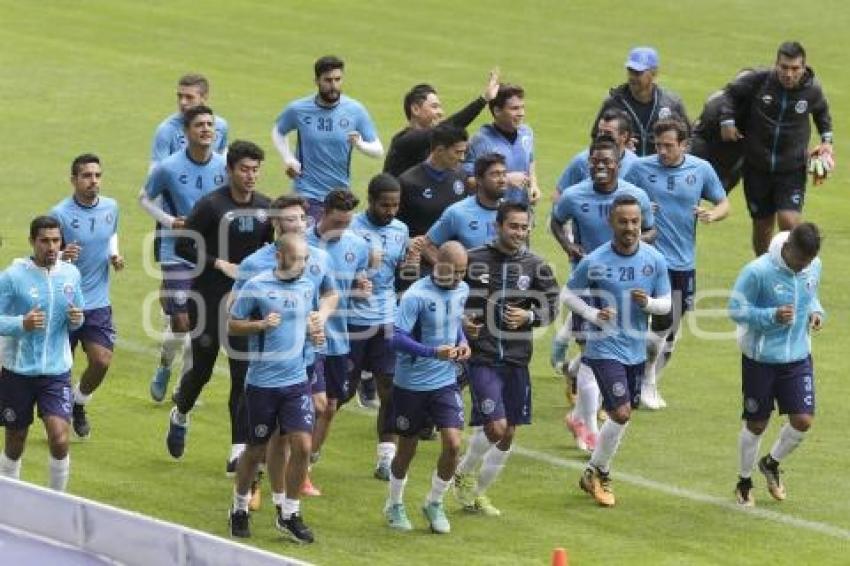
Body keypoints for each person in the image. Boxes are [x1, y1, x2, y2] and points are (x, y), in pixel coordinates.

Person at [165, 141, 273, 461]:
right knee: (203, 367)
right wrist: (217, 263)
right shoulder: (211, 206)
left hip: (246, 302)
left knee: (242, 375)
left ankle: (237, 449)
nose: (251, 176)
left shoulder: (266, 207)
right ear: (229, 170)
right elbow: (184, 247)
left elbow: (269, 249)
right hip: (209, 298)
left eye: (255, 170)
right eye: (244, 169)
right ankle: (180, 413)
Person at [561, 196, 671, 507]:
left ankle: (592, 471)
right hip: (602, 346)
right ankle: (601, 472)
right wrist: (593, 315)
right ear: (611, 222)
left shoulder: (654, 260)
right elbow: (568, 294)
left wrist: (648, 304)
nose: (630, 227)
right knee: (620, 412)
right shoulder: (595, 260)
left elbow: (667, 303)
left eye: (635, 221)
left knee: (624, 415)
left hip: (634, 349)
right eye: (623, 221)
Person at [228, 195, 338, 498]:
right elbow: (235, 310)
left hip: (305, 352)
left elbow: (330, 294)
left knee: (307, 417)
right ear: (275, 223)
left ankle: (286, 490)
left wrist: (320, 316)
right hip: (268, 357)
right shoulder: (254, 265)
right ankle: (262, 484)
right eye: (292, 218)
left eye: (303, 218)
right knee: (273, 434)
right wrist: (260, 325)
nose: (300, 224)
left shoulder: (318, 257)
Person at [549, 137, 656, 450]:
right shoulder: (573, 195)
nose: (600, 167)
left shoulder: (634, 196)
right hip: (586, 287)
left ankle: (579, 417)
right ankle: (590, 428)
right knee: (590, 355)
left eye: (607, 162)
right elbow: (556, 222)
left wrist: (636, 245)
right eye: (594, 162)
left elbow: (651, 228)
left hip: (624, 286)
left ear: (618, 163)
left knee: (602, 358)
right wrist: (569, 246)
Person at [453, 202, 559, 516]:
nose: (519, 233)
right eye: (513, 226)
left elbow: (553, 304)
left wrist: (530, 314)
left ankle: (478, 493)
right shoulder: (473, 259)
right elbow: (446, 294)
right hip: (483, 357)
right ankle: (464, 471)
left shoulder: (536, 265)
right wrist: (460, 320)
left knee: (509, 431)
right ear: (497, 226)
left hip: (516, 358)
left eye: (524, 228)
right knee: (496, 427)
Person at [625, 119, 730, 409]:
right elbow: (618, 200)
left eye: (668, 146)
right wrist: (640, 206)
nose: (662, 151)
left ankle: (644, 379)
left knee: (669, 330)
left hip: (683, 263)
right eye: (658, 145)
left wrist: (712, 214)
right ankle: (639, 381)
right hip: (645, 260)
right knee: (634, 320)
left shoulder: (700, 169)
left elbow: (724, 204)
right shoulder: (640, 168)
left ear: (684, 145)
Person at [227, 234, 323, 543]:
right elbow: (232, 324)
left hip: (295, 381)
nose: (304, 265)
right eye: (298, 259)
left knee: (303, 446)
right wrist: (259, 326)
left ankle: (289, 513)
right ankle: (239, 508)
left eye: (306, 259)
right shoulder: (256, 285)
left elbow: (305, 321)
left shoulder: (307, 286)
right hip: (262, 384)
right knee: (255, 452)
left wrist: (314, 333)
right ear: (280, 257)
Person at [728, 223, 823, 507]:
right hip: (761, 359)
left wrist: (816, 312)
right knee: (757, 424)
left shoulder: (812, 265)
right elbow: (735, 310)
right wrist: (771, 316)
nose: (803, 267)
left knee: (803, 420)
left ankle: (771, 463)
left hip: (798, 357)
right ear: (788, 247)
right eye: (800, 261)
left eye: (808, 263)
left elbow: (810, 294)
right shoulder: (758, 271)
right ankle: (744, 482)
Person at [139, 105, 228, 403]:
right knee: (180, 322)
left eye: (210, 125)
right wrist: (170, 222)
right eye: (200, 125)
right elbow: (144, 198)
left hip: (210, 253)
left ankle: (182, 385)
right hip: (176, 250)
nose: (206, 129)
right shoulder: (168, 167)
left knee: (199, 326)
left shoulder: (224, 167)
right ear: (187, 132)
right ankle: (165, 366)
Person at [384, 241, 470, 534]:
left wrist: (463, 343)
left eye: (462, 271)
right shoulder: (416, 296)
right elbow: (395, 338)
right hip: (411, 385)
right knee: (407, 449)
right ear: (437, 265)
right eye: (452, 271)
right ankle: (394, 503)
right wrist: (435, 352)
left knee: (454, 444)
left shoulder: (462, 289)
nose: (458, 278)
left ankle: (434, 502)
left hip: (444, 381)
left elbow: (454, 320)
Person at [717, 41, 833, 255]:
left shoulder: (812, 90)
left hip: (791, 168)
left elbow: (822, 113)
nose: (789, 74)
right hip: (756, 167)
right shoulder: (759, 80)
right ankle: (764, 270)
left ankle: (793, 268)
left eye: (795, 68)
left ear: (804, 67)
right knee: (762, 227)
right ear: (776, 64)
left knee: (789, 220)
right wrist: (727, 121)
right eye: (784, 67)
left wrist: (827, 141)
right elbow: (729, 94)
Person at [0, 216, 85, 492]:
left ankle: (56, 503)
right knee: (15, 442)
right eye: (45, 241)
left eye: (56, 240)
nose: (51, 247)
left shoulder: (71, 274)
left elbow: (78, 316)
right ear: (32, 242)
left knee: (60, 439)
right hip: (17, 372)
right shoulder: (12, 277)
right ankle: (9, 501)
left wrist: (76, 319)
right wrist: (20, 324)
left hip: (56, 372)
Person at [348, 174, 418, 480]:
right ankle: (308, 451)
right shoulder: (350, 228)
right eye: (385, 205)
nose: (391, 211)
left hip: (387, 319)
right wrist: (352, 283)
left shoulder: (400, 230)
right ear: (370, 199)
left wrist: (410, 270)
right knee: (338, 393)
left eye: (395, 205)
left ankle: (385, 458)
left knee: (390, 389)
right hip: (350, 321)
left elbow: (401, 275)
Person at [49, 154, 124, 439]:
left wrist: (114, 255)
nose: (93, 181)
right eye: (86, 176)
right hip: (64, 302)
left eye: (97, 175)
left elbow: (110, 234)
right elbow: (45, 256)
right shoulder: (59, 213)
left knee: (102, 361)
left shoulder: (111, 207)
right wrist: (60, 255)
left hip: (97, 301)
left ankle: (78, 403)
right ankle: (55, 410)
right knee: (59, 366)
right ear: (74, 180)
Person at [305, 190, 372, 491]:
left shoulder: (357, 246)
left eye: (346, 223)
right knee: (312, 405)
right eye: (336, 221)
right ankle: (289, 464)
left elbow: (355, 289)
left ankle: (306, 461)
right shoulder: (300, 244)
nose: (341, 229)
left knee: (330, 407)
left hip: (338, 339)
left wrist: (361, 287)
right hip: (304, 340)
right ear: (323, 213)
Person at [272, 55, 383, 222]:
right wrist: (288, 158)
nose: (333, 86)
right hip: (307, 194)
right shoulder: (299, 109)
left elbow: (378, 150)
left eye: (338, 79)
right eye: (328, 80)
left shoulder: (355, 110)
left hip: (340, 196)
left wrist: (360, 144)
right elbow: (278, 131)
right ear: (317, 81)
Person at [383, 70, 499, 177]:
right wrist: (483, 100)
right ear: (415, 109)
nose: (441, 112)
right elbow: (447, 127)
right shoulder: (405, 141)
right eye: (434, 106)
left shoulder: (435, 144)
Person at [592, 46, 689, 157]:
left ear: (654, 73)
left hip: (661, 169)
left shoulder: (671, 104)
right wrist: (618, 146)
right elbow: (597, 138)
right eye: (630, 71)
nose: (632, 77)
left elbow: (688, 139)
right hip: (625, 169)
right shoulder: (614, 103)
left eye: (638, 73)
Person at [463, 84, 539, 205]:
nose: (521, 113)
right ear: (497, 111)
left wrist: (534, 185)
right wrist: (506, 179)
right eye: (514, 108)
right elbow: (468, 182)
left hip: (521, 215)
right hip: (493, 215)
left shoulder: (527, 133)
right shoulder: (480, 141)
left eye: (522, 107)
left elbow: (530, 160)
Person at [424, 153, 507, 261]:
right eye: (495, 175)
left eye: (504, 174)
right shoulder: (458, 212)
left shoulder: (512, 212)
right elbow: (427, 245)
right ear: (479, 180)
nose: (502, 180)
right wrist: (449, 272)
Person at [689, 69, 756, 193]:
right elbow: (700, 138)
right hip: (705, 146)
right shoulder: (716, 104)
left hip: (733, 158)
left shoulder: (758, 108)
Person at [554, 108, 638, 201]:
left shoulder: (636, 164)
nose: (602, 136)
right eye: (600, 132)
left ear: (624, 136)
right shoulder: (582, 160)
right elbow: (559, 193)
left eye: (608, 133)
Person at [150, 73, 228, 165]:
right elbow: (157, 171)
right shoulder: (166, 130)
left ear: (204, 97)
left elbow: (223, 164)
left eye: (189, 97)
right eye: (180, 96)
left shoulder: (221, 126)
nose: (183, 102)